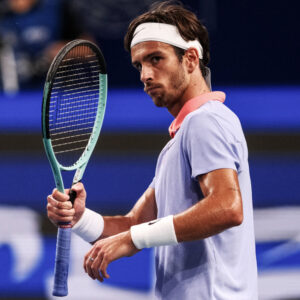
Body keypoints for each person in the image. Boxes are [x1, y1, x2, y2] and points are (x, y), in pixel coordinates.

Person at [47, 1, 258, 299]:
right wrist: (80, 217)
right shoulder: (181, 140)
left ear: (191, 59)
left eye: (156, 59)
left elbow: (227, 207)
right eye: (139, 65)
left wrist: (134, 239)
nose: (145, 75)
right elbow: (136, 223)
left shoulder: (206, 121)